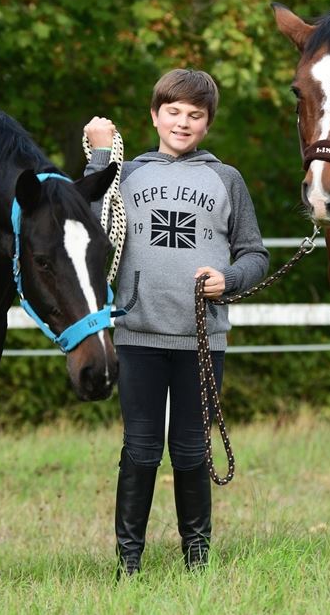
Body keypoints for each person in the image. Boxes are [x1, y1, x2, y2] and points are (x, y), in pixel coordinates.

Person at [83, 68, 269, 576]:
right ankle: (129, 561)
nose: (182, 123)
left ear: (207, 124)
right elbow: (90, 221)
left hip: (202, 340)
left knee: (191, 447)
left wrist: (229, 279)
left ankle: (197, 558)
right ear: (154, 115)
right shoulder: (127, 174)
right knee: (140, 447)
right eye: (173, 112)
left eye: (194, 115)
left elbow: (255, 253)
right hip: (137, 333)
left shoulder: (225, 178)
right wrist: (100, 155)